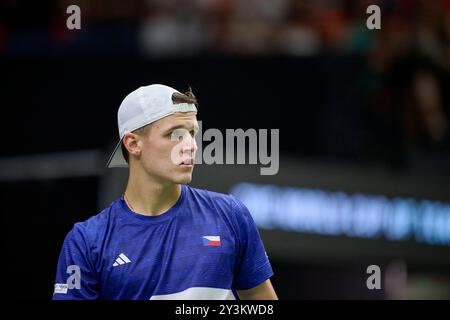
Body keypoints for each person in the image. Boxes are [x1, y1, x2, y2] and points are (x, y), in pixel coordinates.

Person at [52, 84, 277, 300]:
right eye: (174, 134)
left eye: (192, 132)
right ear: (132, 144)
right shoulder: (87, 240)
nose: (190, 145)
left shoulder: (230, 214)